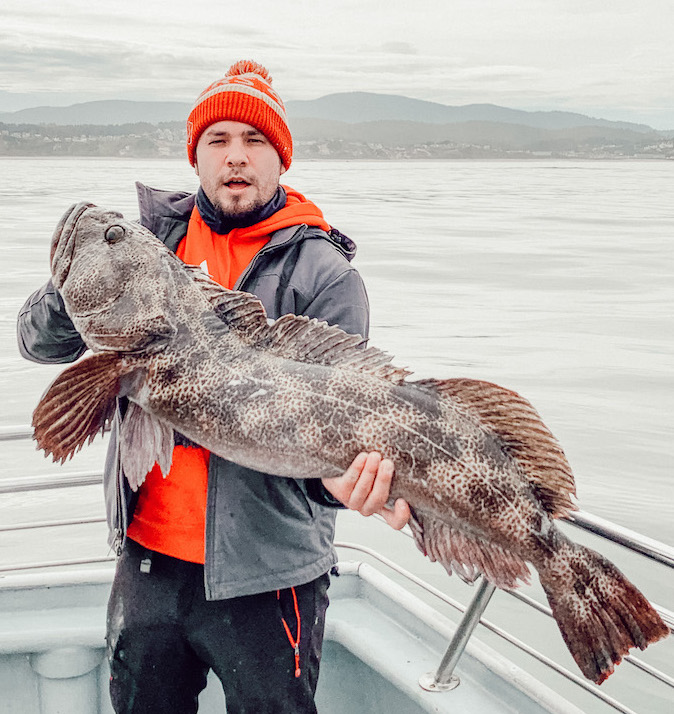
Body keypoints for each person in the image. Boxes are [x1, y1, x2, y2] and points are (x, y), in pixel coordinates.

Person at [17, 60, 410, 714]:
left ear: (280, 159)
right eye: (218, 140)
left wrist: (341, 482)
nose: (236, 157)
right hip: (148, 564)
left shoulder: (325, 274)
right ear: (194, 156)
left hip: (271, 577)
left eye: (255, 141)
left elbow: (344, 417)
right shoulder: (149, 243)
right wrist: (69, 284)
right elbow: (39, 343)